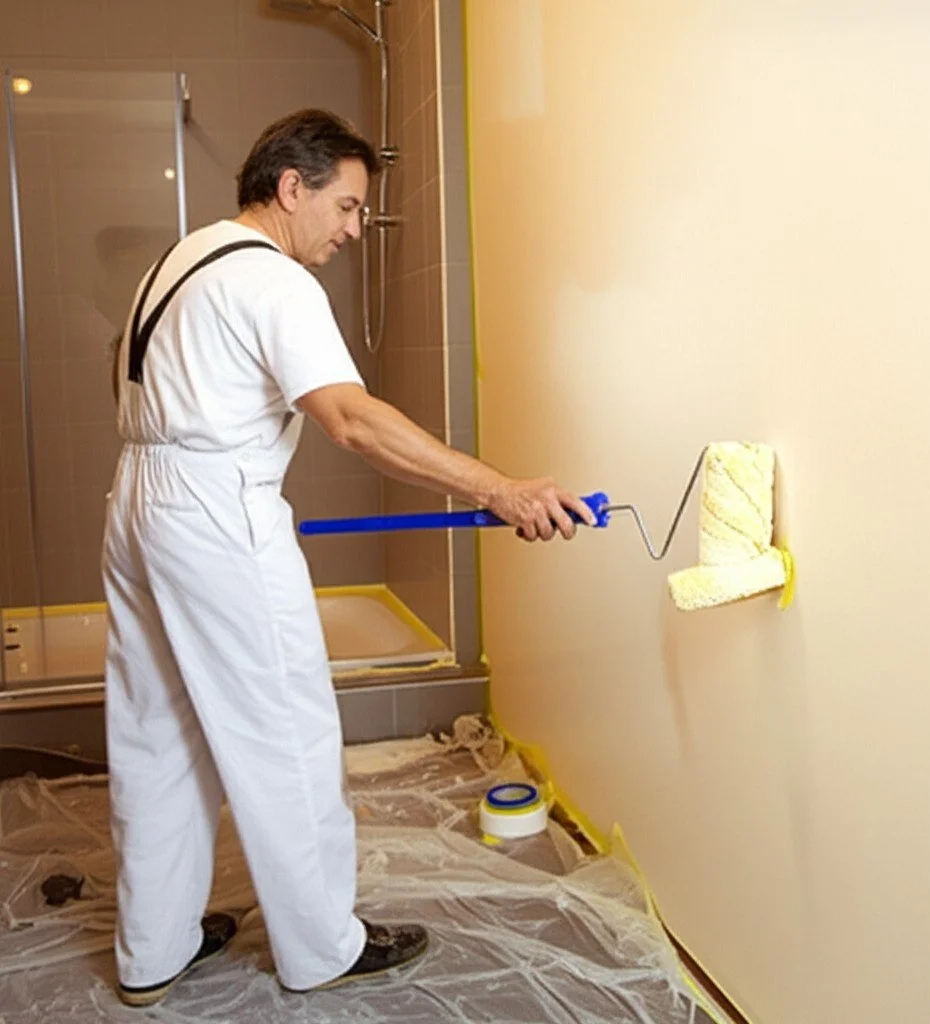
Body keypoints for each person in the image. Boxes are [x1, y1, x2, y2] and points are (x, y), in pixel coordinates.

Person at [102, 108, 596, 1008]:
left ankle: (154, 947)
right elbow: (353, 419)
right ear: (292, 188)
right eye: (349, 205)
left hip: (139, 504)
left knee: (156, 732)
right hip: (215, 509)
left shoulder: (177, 263)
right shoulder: (274, 281)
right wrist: (501, 488)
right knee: (284, 728)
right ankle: (323, 944)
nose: (355, 229)